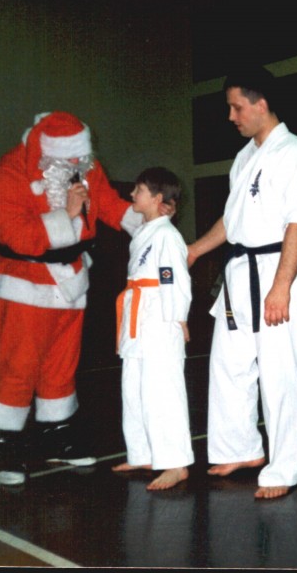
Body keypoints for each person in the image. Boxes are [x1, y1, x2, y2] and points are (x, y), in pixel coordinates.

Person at [0, 111, 168, 486]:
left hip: (71, 280)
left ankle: (57, 435)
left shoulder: (84, 166)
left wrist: (149, 219)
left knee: (61, 364)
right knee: (18, 363)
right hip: (24, 281)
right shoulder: (7, 173)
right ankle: (7, 442)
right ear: (46, 153)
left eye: (81, 156)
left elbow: (108, 203)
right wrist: (66, 213)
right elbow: (16, 234)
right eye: (70, 158)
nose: (80, 164)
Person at [186, 66, 297, 499]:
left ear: (261, 104)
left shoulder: (295, 153)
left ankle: (284, 468)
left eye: (237, 107)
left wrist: (281, 287)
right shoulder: (245, 156)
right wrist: (194, 250)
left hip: (276, 269)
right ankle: (240, 448)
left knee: (280, 376)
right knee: (229, 367)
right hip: (239, 272)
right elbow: (233, 220)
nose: (231, 116)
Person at [111, 167, 194, 491]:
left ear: (158, 199)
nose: (133, 194)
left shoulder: (166, 236)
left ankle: (176, 463)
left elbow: (175, 279)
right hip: (138, 315)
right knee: (133, 390)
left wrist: (178, 318)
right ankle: (142, 453)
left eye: (139, 190)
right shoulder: (145, 231)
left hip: (159, 317)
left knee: (163, 392)